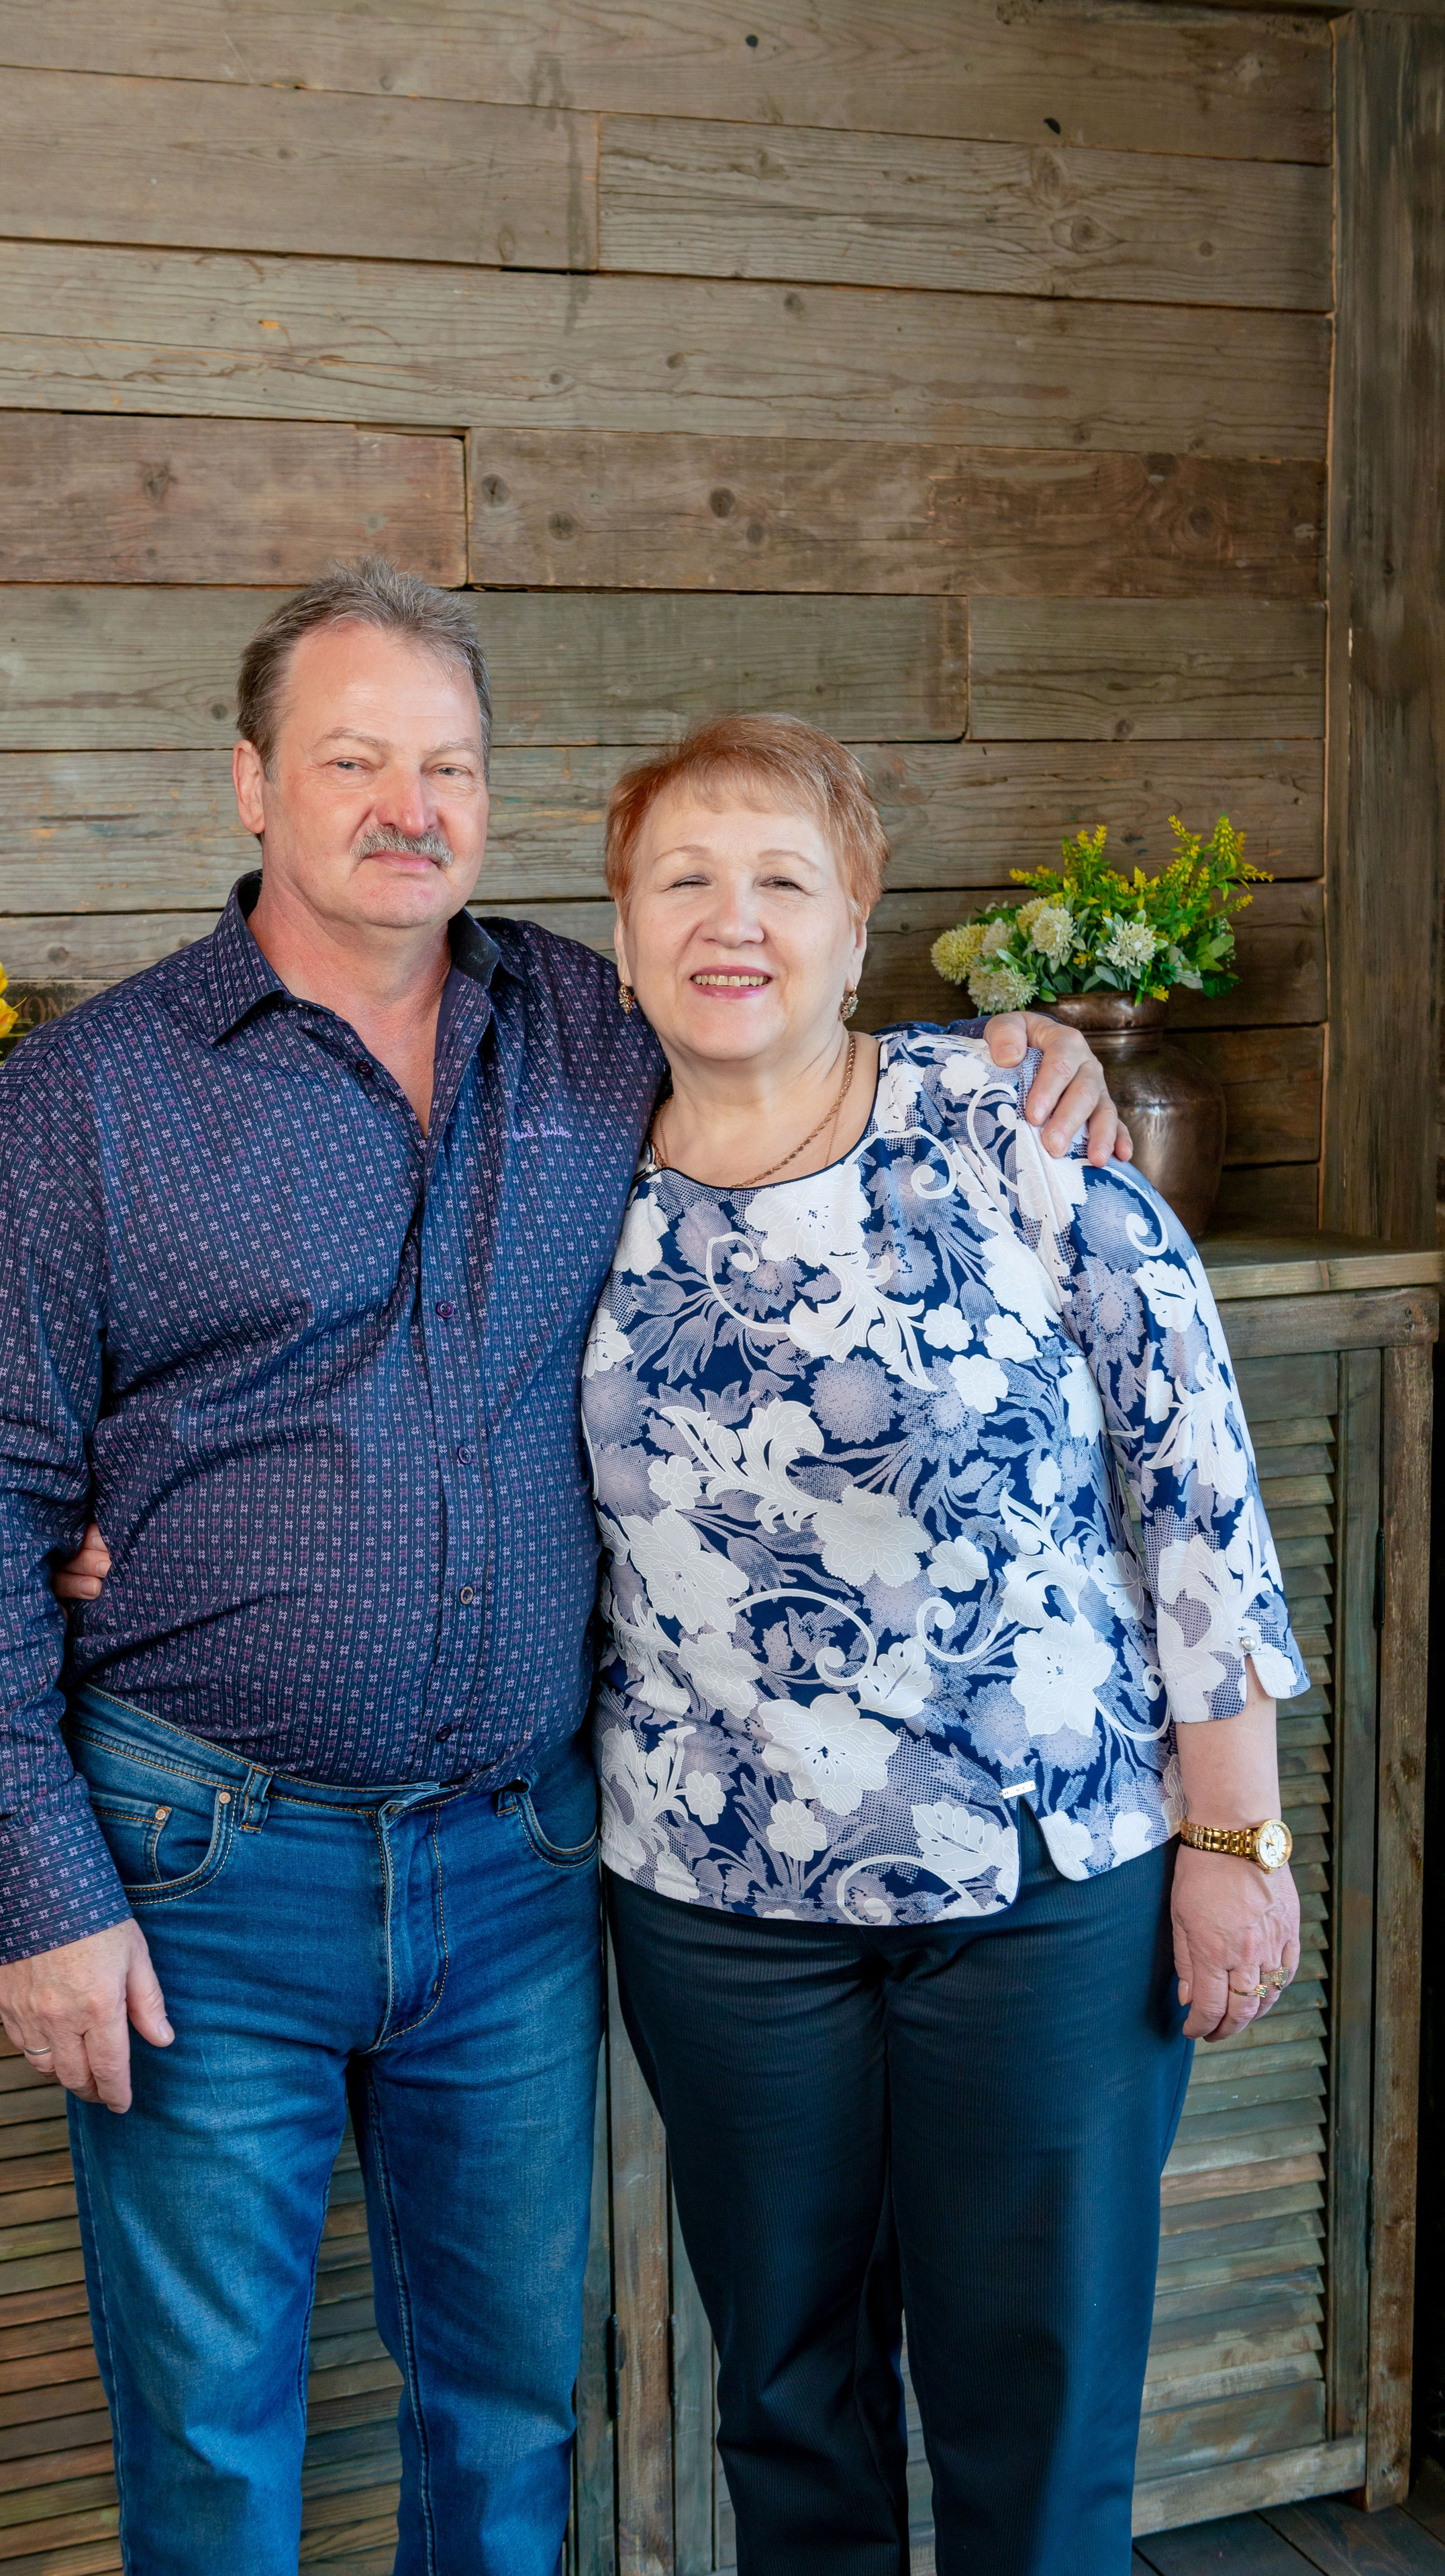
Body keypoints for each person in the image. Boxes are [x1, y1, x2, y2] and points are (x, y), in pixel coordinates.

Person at [0, 560, 1126, 2576]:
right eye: (353, 756)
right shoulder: (85, 1097)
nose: (407, 802)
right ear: (248, 785)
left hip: (522, 1869)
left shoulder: (586, 1017)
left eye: (446, 762)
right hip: (201, 1872)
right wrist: (37, 1879)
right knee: (213, 2441)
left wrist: (1024, 1051)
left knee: (508, 2419)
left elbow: (792, 1020)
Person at [584, 714, 1308, 2576]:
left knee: (1034, 2416)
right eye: (684, 878)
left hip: (1046, 1890)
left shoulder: (1010, 1122)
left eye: (779, 879)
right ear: (621, 923)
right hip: (720, 1904)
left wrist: (1233, 1840)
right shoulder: (563, 1168)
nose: (729, 921)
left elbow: (1194, 1486)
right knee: (789, 2405)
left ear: (857, 914)